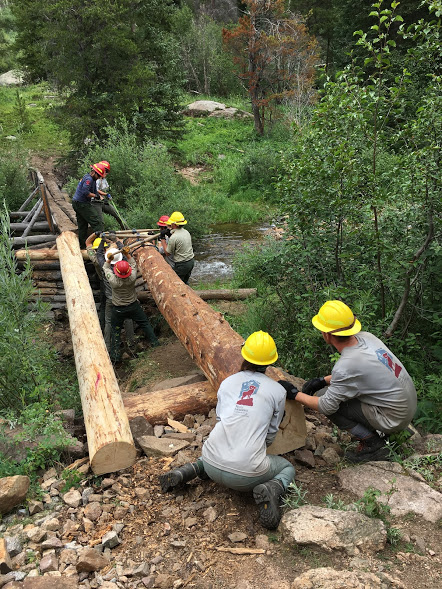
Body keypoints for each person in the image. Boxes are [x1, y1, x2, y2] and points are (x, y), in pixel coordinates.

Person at [159, 331, 295, 530]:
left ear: (244, 355)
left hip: (212, 462)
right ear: (270, 362)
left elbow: (222, 419)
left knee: (215, 451)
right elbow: (271, 434)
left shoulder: (227, 383)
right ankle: (271, 488)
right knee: (287, 468)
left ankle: (188, 471)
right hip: (246, 476)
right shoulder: (278, 391)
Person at [279, 300, 417, 463]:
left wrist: (295, 394)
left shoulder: (347, 364)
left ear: (327, 334)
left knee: (330, 403)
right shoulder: (367, 338)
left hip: (393, 417)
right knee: (328, 392)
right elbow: (364, 373)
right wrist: (322, 380)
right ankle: (390, 431)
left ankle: (372, 443)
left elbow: (326, 406)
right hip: (406, 407)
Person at [103, 245, 160, 363]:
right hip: (133, 306)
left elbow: (106, 268)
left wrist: (109, 259)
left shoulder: (113, 281)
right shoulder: (132, 277)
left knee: (116, 330)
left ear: (116, 272)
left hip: (118, 309)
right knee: (144, 323)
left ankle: (115, 356)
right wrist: (127, 254)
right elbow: (133, 264)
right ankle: (155, 343)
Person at [85, 232, 134, 351]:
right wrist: (116, 240)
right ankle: (131, 344)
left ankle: (107, 345)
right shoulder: (122, 262)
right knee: (128, 318)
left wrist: (98, 236)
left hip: (108, 293)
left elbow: (88, 243)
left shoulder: (99, 261)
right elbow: (125, 253)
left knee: (108, 321)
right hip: (123, 295)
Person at [72, 163, 105, 249]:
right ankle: (100, 245)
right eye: (98, 175)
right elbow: (85, 192)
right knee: (97, 222)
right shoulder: (89, 179)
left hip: (77, 202)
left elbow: (94, 191)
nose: (99, 178)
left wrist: (100, 196)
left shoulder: (91, 179)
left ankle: (83, 246)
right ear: (94, 172)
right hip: (82, 204)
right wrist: (95, 196)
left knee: (82, 225)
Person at [90, 160, 126, 229]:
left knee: (116, 214)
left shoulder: (104, 180)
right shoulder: (96, 178)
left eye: (107, 172)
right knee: (100, 221)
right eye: (106, 171)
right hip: (95, 202)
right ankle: (100, 236)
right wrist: (104, 196)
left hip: (102, 201)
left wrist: (108, 192)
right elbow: (95, 190)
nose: (106, 173)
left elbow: (106, 188)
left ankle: (126, 230)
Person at [165, 211, 194, 284]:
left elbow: (167, 253)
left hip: (182, 264)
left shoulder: (174, 237)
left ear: (174, 224)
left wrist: (162, 239)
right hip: (191, 262)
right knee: (184, 282)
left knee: (174, 283)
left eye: (171, 223)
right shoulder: (186, 232)